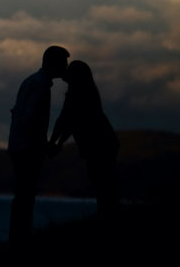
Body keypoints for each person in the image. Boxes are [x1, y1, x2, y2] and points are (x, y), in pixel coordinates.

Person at [8, 45, 69, 245]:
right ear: (54, 63)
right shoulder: (41, 85)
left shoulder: (31, 81)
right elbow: (30, 117)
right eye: (63, 63)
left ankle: (18, 236)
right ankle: (21, 237)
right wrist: (42, 145)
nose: (66, 67)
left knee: (23, 194)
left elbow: (21, 115)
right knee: (26, 195)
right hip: (27, 148)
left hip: (20, 145)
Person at [49, 60, 120, 216]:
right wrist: (56, 142)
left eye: (70, 71)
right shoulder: (81, 93)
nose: (65, 72)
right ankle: (108, 213)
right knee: (104, 183)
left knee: (102, 182)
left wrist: (55, 143)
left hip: (100, 145)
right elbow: (67, 121)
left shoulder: (78, 95)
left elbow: (67, 121)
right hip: (103, 143)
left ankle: (108, 214)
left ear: (76, 76)